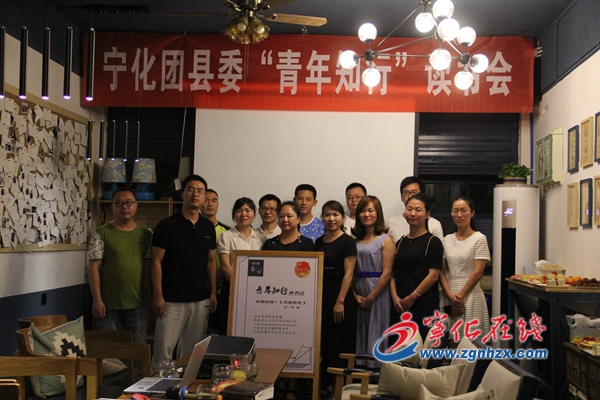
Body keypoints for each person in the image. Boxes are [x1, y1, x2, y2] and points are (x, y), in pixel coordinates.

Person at [150, 174, 217, 372]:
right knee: (163, 352)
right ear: (183, 194)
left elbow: (211, 261)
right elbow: (156, 261)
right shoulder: (166, 225)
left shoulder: (208, 227)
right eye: (191, 189)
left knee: (192, 353)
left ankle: (186, 387)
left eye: (200, 191)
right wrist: (158, 295)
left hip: (200, 300)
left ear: (204, 196)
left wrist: (213, 292)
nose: (195, 194)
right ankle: (157, 386)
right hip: (171, 300)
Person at [88, 188, 152, 345]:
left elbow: (149, 268)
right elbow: (94, 268)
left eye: (129, 202)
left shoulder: (146, 234)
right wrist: (97, 300)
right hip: (108, 306)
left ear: (136, 205)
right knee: (110, 352)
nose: (124, 207)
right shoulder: (101, 233)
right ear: (112, 206)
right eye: (119, 203)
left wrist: (150, 298)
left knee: (137, 351)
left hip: (138, 304)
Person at [314, 200, 357, 397]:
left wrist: (340, 301)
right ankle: (326, 383)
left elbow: (349, 274)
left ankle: (341, 387)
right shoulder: (318, 242)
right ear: (322, 218)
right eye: (327, 215)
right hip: (321, 296)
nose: (331, 219)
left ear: (342, 218)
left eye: (335, 215)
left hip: (341, 296)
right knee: (325, 341)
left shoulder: (348, 242)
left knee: (341, 341)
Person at [390, 193, 444, 340]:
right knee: (398, 345)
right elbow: (392, 274)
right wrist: (394, 297)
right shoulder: (400, 242)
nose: (413, 213)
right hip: (399, 306)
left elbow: (433, 275)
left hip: (423, 304)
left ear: (427, 214)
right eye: (409, 209)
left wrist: (412, 297)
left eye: (418, 210)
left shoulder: (433, 242)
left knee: (420, 346)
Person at [439, 196, 490, 342]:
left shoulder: (479, 238)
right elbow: (442, 271)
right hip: (448, 294)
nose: (459, 215)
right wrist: (450, 294)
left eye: (463, 211)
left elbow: (477, 272)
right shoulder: (446, 239)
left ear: (472, 213)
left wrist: (460, 297)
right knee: (450, 341)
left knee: (470, 342)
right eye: (455, 211)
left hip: (470, 294)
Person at [352, 195, 394, 367]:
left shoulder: (386, 240)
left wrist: (371, 297)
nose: (366, 214)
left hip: (378, 292)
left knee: (377, 330)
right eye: (362, 211)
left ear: (378, 214)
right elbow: (350, 272)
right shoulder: (355, 241)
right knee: (360, 332)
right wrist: (355, 294)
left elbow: (387, 273)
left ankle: (376, 373)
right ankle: (360, 371)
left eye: (370, 210)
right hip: (358, 290)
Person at [217, 197, 264, 334]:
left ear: (254, 214)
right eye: (239, 210)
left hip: (256, 291)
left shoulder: (261, 237)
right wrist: (240, 287)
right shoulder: (226, 236)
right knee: (230, 327)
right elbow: (225, 265)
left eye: (247, 210)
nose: (243, 214)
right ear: (234, 215)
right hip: (232, 288)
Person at [201, 189, 231, 334]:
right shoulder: (194, 228)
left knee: (218, 330)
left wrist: (219, 276)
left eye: (213, 200)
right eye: (206, 200)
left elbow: (232, 259)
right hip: (199, 290)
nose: (210, 204)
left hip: (220, 289)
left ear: (218, 204)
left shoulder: (227, 231)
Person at [388, 176, 444, 242]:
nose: (410, 196)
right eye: (406, 192)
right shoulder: (391, 223)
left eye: (414, 192)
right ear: (401, 197)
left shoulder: (434, 224)